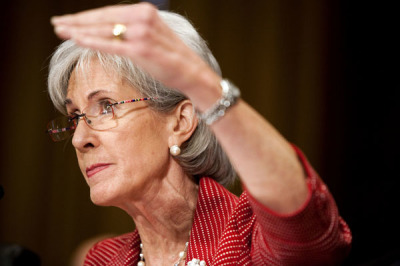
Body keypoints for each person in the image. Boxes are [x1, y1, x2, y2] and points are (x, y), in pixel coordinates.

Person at [47, 3, 352, 265]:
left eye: (107, 106)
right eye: (76, 116)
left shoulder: (248, 235)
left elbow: (304, 225)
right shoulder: (104, 258)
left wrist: (200, 84)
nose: (79, 139)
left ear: (180, 123)